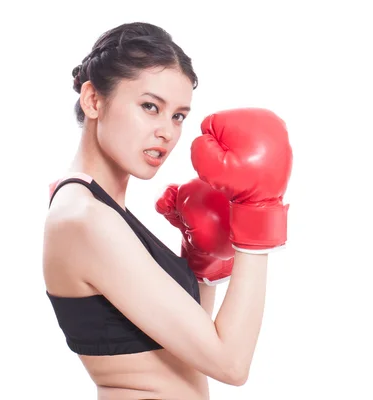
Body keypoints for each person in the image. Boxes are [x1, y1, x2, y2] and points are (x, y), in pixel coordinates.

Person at [42, 22, 293, 399]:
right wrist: (258, 214)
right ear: (93, 100)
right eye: (150, 106)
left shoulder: (101, 211)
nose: (167, 132)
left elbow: (193, 351)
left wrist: (204, 266)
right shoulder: (84, 219)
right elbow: (231, 364)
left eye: (178, 116)